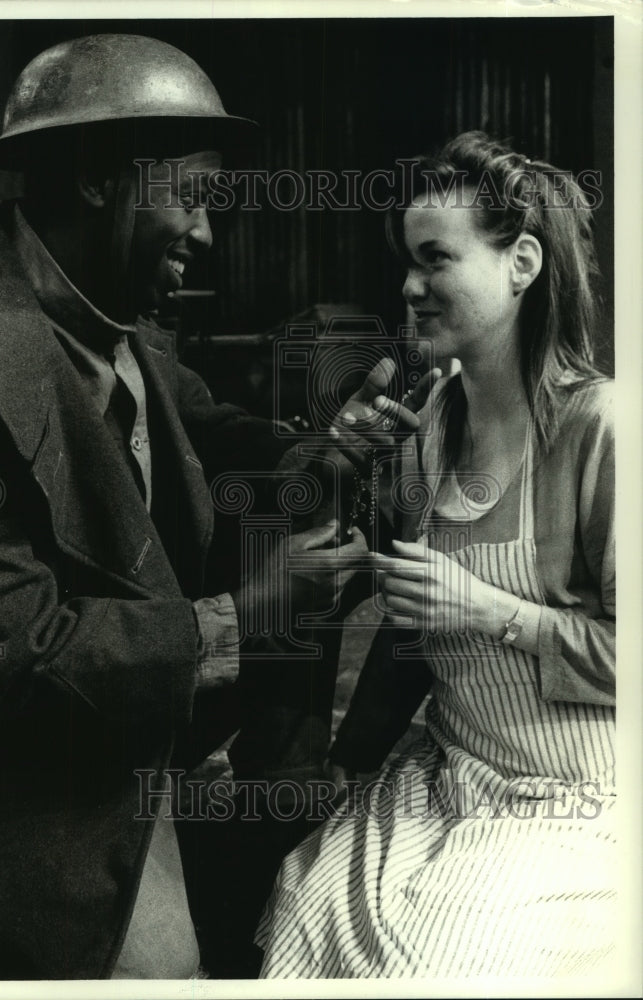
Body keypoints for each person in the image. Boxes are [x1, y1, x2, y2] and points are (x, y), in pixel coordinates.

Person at [0, 33, 378, 980]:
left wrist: (330, 450)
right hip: (32, 801)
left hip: (153, 744)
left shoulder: (112, 315)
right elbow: (16, 658)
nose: (206, 235)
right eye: (191, 199)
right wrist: (251, 616)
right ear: (100, 178)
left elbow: (215, 425)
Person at [256, 131, 616, 978]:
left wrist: (493, 613)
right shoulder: (426, 421)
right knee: (301, 910)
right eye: (406, 261)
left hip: (576, 800)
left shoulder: (601, 429)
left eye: (434, 259)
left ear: (520, 262)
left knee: (437, 961)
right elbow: (399, 623)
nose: (409, 287)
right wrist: (337, 470)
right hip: (449, 774)